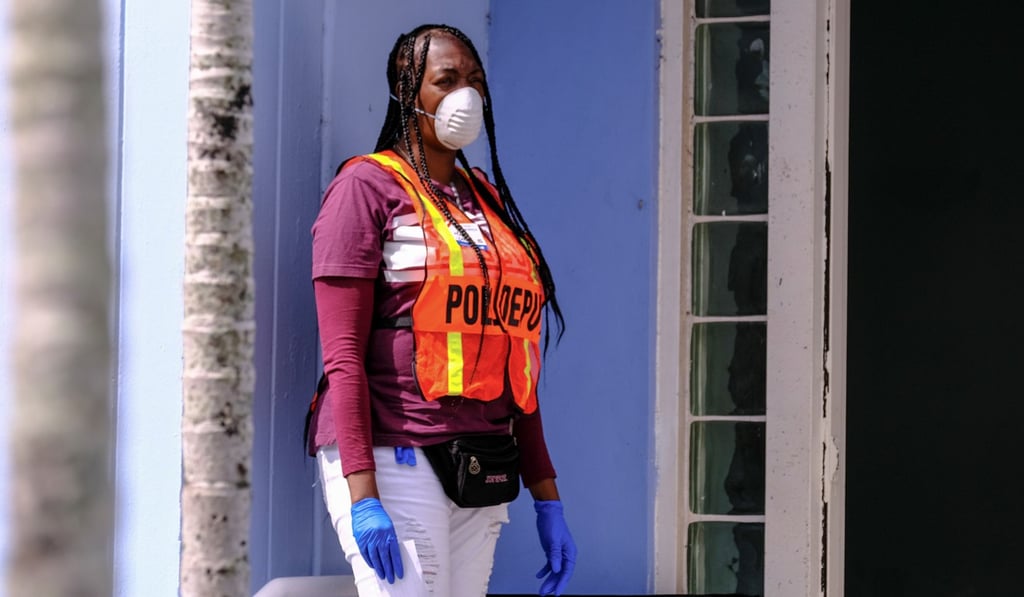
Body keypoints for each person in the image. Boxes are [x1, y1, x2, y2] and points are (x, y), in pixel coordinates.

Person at [306, 23, 577, 597]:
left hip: (479, 460)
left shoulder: (489, 201)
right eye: (447, 80)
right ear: (409, 90)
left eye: (475, 81)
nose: (466, 96)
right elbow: (344, 357)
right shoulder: (366, 188)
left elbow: (515, 357)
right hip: (393, 453)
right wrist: (363, 495)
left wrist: (545, 493)